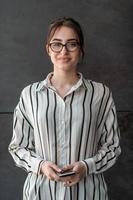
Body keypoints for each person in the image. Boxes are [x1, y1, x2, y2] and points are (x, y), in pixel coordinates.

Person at [8, 17, 121, 200]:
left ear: (81, 49)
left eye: (72, 44)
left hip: (88, 194)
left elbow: (112, 147)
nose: (64, 51)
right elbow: (18, 147)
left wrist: (86, 166)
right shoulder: (30, 94)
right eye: (57, 44)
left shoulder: (100, 94)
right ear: (48, 49)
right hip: (41, 193)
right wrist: (41, 165)